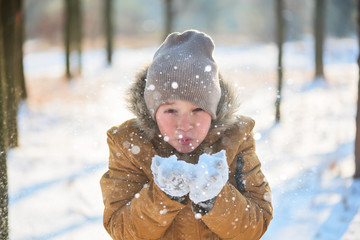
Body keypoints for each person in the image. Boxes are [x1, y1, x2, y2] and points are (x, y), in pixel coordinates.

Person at [100, 30, 273, 240]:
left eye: (198, 110)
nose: (184, 125)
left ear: (214, 110)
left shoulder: (235, 139)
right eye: (171, 111)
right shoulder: (129, 144)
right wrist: (163, 196)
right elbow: (122, 230)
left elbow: (255, 227)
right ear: (152, 112)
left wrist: (215, 197)